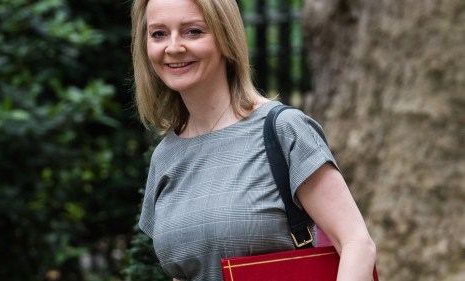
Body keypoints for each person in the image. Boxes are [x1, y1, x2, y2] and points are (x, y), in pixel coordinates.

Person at [130, 0, 377, 280]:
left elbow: (357, 244)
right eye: (158, 34)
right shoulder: (165, 156)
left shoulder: (282, 130)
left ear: (225, 37)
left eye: (193, 32)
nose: (173, 47)